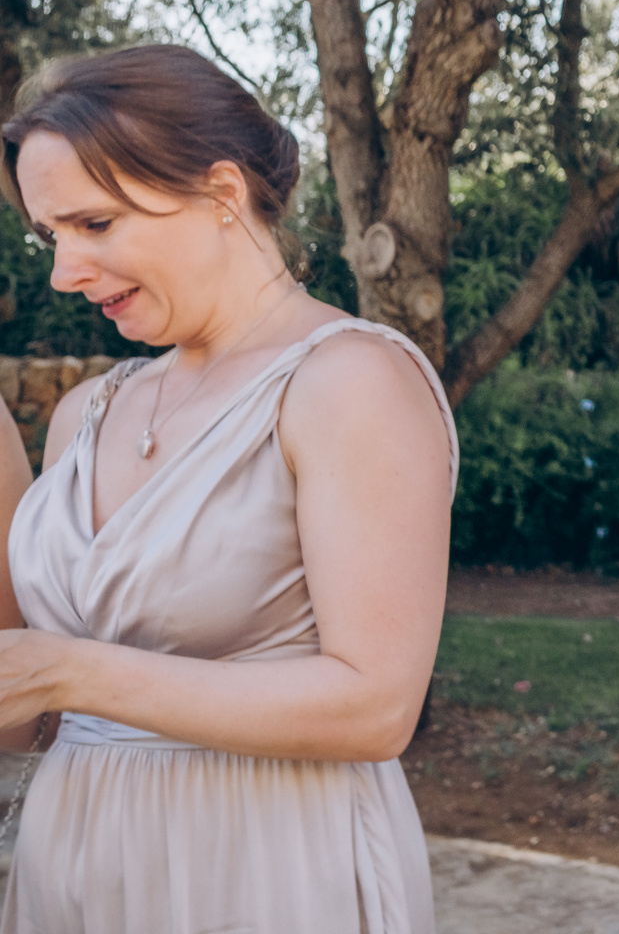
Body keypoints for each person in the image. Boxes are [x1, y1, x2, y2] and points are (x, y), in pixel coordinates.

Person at [0, 45, 456, 932]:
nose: (63, 273)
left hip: (267, 871)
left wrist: (69, 670)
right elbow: (34, 721)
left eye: (94, 225)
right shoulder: (85, 414)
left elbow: (376, 706)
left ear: (220, 193)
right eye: (50, 236)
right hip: (74, 877)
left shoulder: (347, 382)